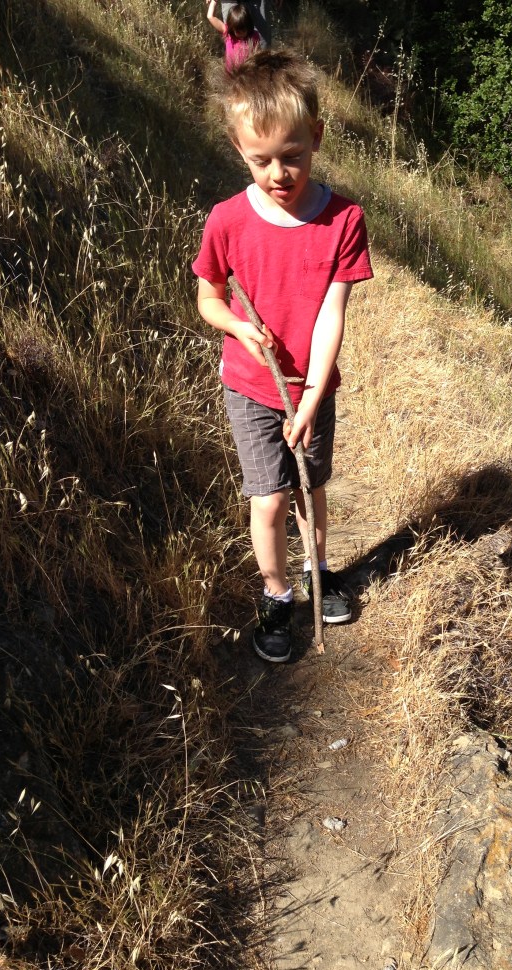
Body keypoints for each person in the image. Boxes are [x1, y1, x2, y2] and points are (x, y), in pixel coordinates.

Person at [192, 50, 373, 663]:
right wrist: (241, 329)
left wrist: (315, 394)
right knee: (267, 497)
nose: (279, 173)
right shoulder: (227, 222)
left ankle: (320, 572)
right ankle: (277, 594)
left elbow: (331, 314)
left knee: (309, 488)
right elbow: (209, 299)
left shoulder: (344, 220)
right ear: (237, 147)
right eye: (260, 159)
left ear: (317, 136)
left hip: (309, 387)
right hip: (249, 384)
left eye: (293, 156)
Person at [207, 0, 261, 71]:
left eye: (243, 31)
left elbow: (258, 52)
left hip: (248, 73)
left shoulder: (254, 35)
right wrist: (214, 1)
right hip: (231, 74)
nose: (241, 34)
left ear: (248, 26)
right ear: (232, 28)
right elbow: (210, 17)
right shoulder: (228, 33)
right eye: (238, 32)